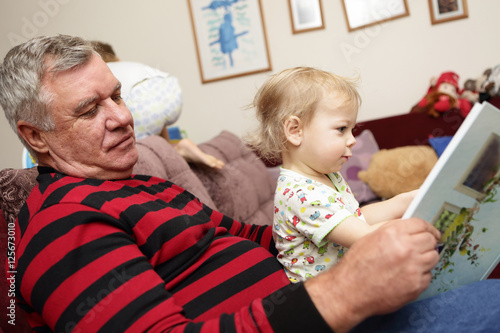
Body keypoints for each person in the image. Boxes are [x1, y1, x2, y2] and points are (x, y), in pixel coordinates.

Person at [1, 34, 499, 333]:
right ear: (35, 136)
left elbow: (273, 238)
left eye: (116, 96)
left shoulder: (149, 188)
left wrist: (386, 211)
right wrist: (343, 293)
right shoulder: (62, 228)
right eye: (90, 110)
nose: (121, 117)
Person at [245, 67, 417, 282]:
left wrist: (405, 201)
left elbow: (356, 220)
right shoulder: (301, 194)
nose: (352, 139)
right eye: (342, 129)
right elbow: (367, 238)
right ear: (295, 131)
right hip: (326, 302)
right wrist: (416, 219)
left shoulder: (326, 175)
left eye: (352, 129)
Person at [92, 41, 224, 169]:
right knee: (159, 128)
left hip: (136, 104)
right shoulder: (130, 66)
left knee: (135, 147)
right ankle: (178, 149)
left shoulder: (101, 72)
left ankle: (174, 153)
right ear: (118, 59)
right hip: (165, 88)